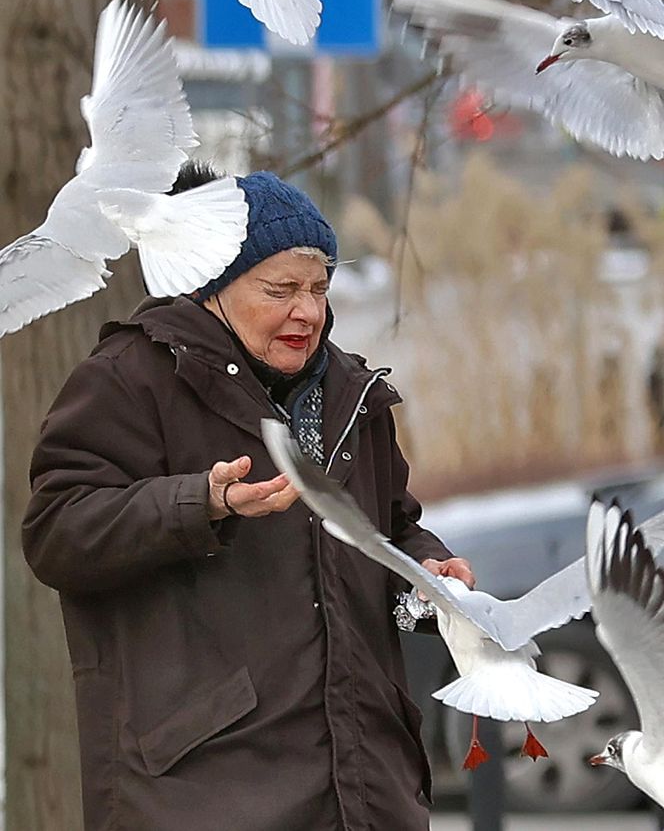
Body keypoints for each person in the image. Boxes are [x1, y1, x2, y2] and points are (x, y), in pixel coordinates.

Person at [23, 166, 474, 831]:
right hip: (203, 791)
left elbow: (394, 528)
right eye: (281, 289)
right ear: (211, 289)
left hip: (365, 786)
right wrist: (198, 503)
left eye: (319, 287)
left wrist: (430, 572)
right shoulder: (129, 379)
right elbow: (56, 533)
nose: (309, 311)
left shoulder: (355, 394)